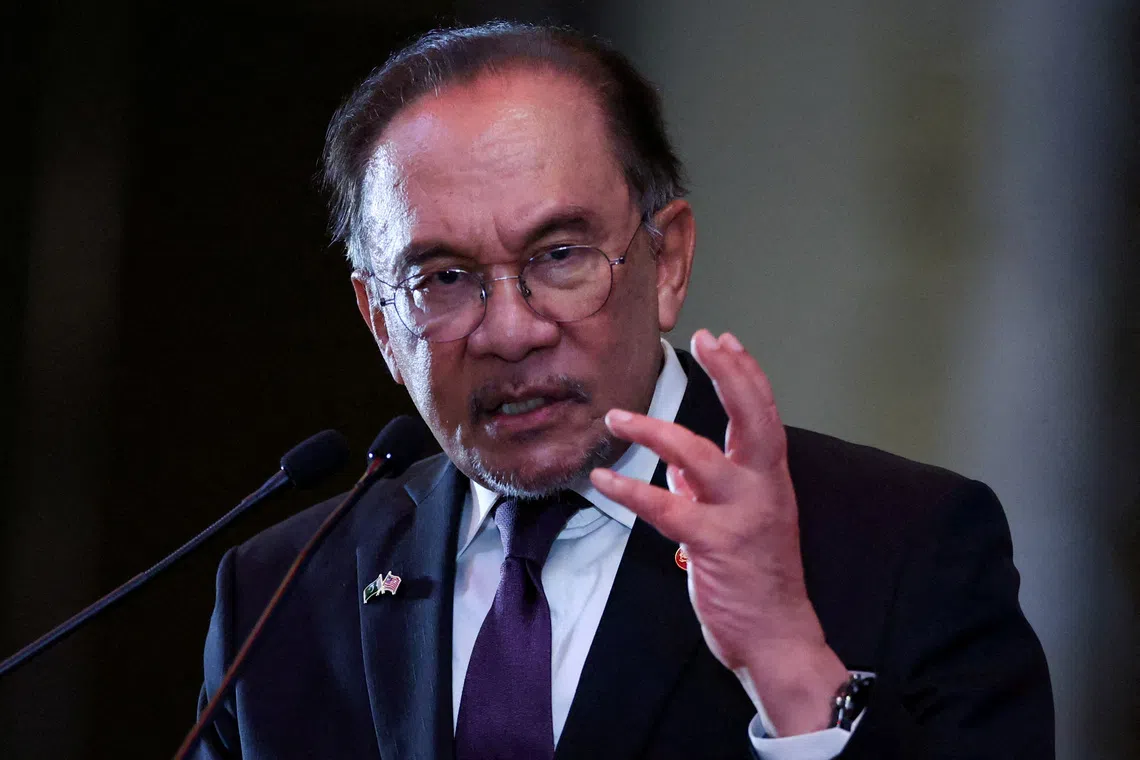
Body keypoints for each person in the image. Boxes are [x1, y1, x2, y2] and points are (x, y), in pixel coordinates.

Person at [195, 21, 1053, 759]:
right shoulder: (279, 597)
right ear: (380, 319)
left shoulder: (904, 545)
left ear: (667, 259)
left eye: (560, 256)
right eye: (445, 278)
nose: (508, 330)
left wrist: (787, 660)